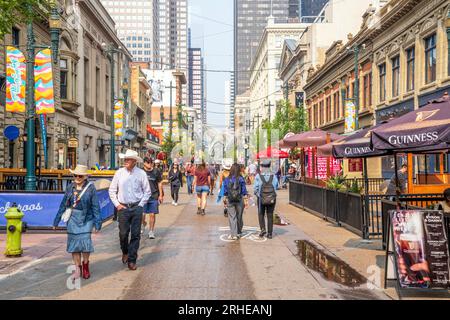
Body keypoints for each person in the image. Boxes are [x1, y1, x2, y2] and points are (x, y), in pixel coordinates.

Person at [53, 165, 101, 281]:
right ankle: (77, 269)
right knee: (74, 246)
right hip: (73, 219)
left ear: (85, 177)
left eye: (80, 176)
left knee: (85, 244)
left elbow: (95, 206)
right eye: (75, 175)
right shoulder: (70, 187)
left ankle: (85, 266)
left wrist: (97, 223)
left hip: (86, 219)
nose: (77, 177)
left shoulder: (91, 188)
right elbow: (63, 204)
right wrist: (56, 220)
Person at [109, 149, 151, 270]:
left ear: (134, 161)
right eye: (125, 159)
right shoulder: (119, 173)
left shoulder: (141, 173)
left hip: (136, 207)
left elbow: (147, 191)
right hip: (123, 208)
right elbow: (112, 190)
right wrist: (117, 204)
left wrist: (140, 205)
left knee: (136, 234)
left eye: (128, 159)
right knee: (123, 234)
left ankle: (132, 260)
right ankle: (125, 251)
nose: (125, 161)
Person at [253, 159, 279, 239]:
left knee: (261, 214)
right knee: (270, 215)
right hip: (271, 199)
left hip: (261, 199)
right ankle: (270, 234)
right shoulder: (273, 176)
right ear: (269, 166)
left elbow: (255, 189)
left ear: (262, 167)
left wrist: (259, 196)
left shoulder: (258, 176)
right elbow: (276, 187)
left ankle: (263, 229)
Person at [223, 163, 249, 240]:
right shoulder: (241, 179)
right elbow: (244, 190)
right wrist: (246, 200)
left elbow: (225, 191)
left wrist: (224, 199)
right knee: (239, 216)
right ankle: (239, 232)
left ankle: (233, 234)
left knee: (232, 217)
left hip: (230, 200)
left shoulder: (227, 179)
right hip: (240, 199)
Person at [142, 157, 163, 239]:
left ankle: (151, 231)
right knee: (141, 215)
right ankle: (143, 223)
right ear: (144, 163)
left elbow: (159, 183)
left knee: (152, 215)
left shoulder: (156, 171)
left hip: (154, 196)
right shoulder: (141, 171)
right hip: (142, 197)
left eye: (151, 162)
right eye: (148, 162)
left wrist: (160, 195)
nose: (150, 164)